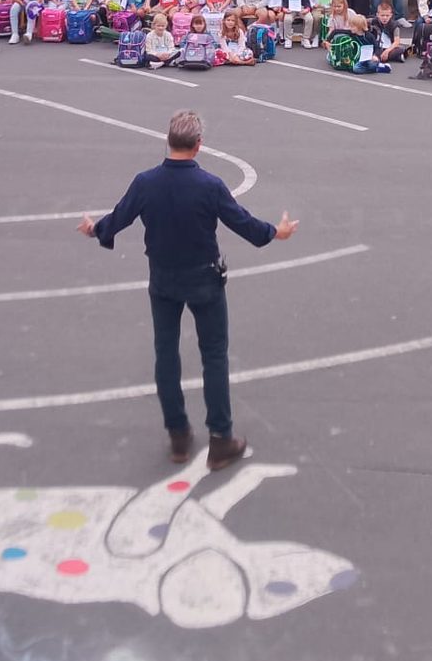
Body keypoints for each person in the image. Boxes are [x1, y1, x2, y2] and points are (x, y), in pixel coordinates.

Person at [78, 110, 297, 470]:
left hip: (163, 279)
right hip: (204, 279)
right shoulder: (210, 185)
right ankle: (220, 438)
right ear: (198, 145)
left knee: (166, 354)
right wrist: (276, 232)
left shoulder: (145, 183)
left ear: (169, 141)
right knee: (214, 355)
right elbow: (242, 222)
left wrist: (95, 229)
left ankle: (178, 434)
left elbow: (118, 218)